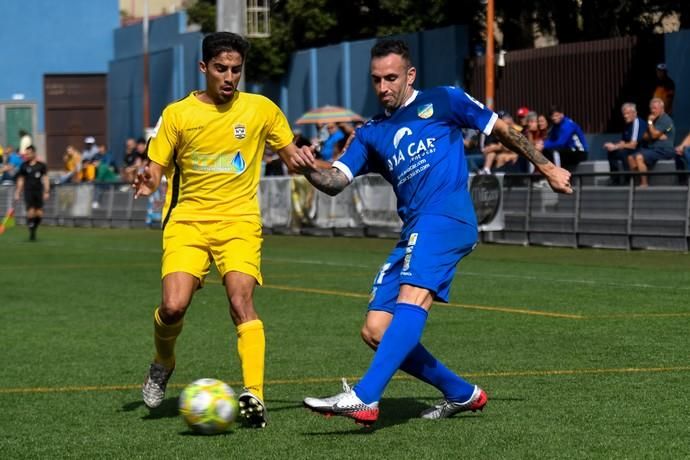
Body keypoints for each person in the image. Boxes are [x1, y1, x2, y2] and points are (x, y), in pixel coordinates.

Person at [301, 39, 571, 426]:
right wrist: (304, 165)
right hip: (414, 230)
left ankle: (365, 397)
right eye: (376, 80)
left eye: (391, 78)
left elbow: (503, 130)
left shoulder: (443, 100)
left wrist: (546, 167)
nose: (383, 88)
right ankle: (462, 394)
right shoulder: (370, 133)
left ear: (410, 75)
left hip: (447, 218)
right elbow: (333, 181)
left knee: (413, 298)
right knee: (377, 330)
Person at [132, 31, 314, 428]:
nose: (229, 77)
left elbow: (289, 153)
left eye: (236, 70)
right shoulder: (179, 114)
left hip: (240, 223)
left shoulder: (261, 109)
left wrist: (303, 158)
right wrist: (148, 178)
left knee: (240, 303)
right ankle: (163, 361)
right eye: (221, 69)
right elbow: (156, 167)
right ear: (204, 68)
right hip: (187, 222)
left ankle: (255, 395)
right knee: (173, 306)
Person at [629, 98, 675, 188]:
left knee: (639, 157)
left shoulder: (666, 120)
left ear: (662, 108)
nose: (652, 111)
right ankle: (636, 182)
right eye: (651, 109)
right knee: (631, 158)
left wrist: (650, 123)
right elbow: (644, 136)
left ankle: (644, 183)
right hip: (652, 149)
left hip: (664, 149)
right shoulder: (655, 120)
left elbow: (654, 135)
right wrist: (655, 135)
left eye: (655, 108)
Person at [603, 103, 645, 185]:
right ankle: (615, 179)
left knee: (624, 153)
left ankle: (628, 179)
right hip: (629, 148)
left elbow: (633, 145)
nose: (625, 116)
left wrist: (616, 146)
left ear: (634, 113)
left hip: (640, 149)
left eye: (628, 113)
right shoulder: (627, 124)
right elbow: (623, 141)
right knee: (612, 152)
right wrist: (612, 146)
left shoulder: (637, 123)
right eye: (624, 114)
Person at [14, 145, 49, 241]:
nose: (27, 155)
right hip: (28, 191)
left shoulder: (41, 165)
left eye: (28, 153)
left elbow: (45, 178)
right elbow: (20, 179)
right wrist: (17, 192)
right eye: (26, 154)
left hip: (38, 192)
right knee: (31, 211)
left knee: (39, 214)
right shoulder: (24, 165)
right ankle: (32, 233)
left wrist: (46, 191)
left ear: (34, 153)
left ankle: (33, 229)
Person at [537, 105, 588, 172]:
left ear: (562, 114)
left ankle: (558, 174)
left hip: (579, 152)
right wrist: (542, 143)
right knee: (544, 152)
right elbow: (552, 139)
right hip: (567, 151)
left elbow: (561, 143)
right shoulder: (555, 126)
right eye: (552, 116)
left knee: (555, 152)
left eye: (556, 115)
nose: (554, 118)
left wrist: (544, 146)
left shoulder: (567, 124)